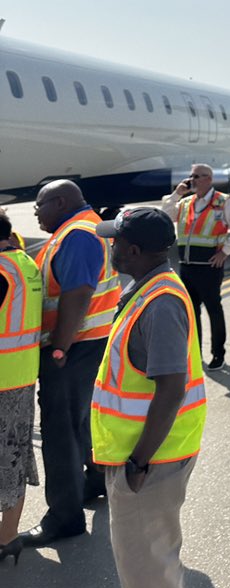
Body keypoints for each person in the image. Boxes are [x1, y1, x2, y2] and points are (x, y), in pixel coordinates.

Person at [92, 207, 206, 588]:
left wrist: (138, 463)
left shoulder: (159, 304)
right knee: (143, 573)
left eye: (115, 241)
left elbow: (172, 389)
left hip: (150, 462)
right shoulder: (148, 288)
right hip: (146, 455)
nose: (111, 246)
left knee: (152, 576)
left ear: (134, 250)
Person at [21, 180, 120, 547]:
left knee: (60, 432)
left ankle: (64, 517)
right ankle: (94, 479)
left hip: (73, 347)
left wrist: (59, 349)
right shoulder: (84, 227)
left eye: (39, 205)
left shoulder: (76, 235)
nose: (36, 213)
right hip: (89, 343)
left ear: (60, 202)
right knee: (82, 420)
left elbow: (78, 294)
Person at [161, 164, 230, 371]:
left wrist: (225, 252)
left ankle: (219, 354)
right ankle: (195, 353)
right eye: (191, 176)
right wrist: (175, 194)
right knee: (191, 312)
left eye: (196, 176)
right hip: (187, 266)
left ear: (208, 179)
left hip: (209, 267)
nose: (192, 179)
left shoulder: (223, 202)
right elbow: (166, 216)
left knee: (214, 310)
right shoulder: (186, 202)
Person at [0, 213, 43, 566]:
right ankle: (8, 535)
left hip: (2, 380)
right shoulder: (24, 262)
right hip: (21, 375)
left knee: (7, 456)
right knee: (13, 454)